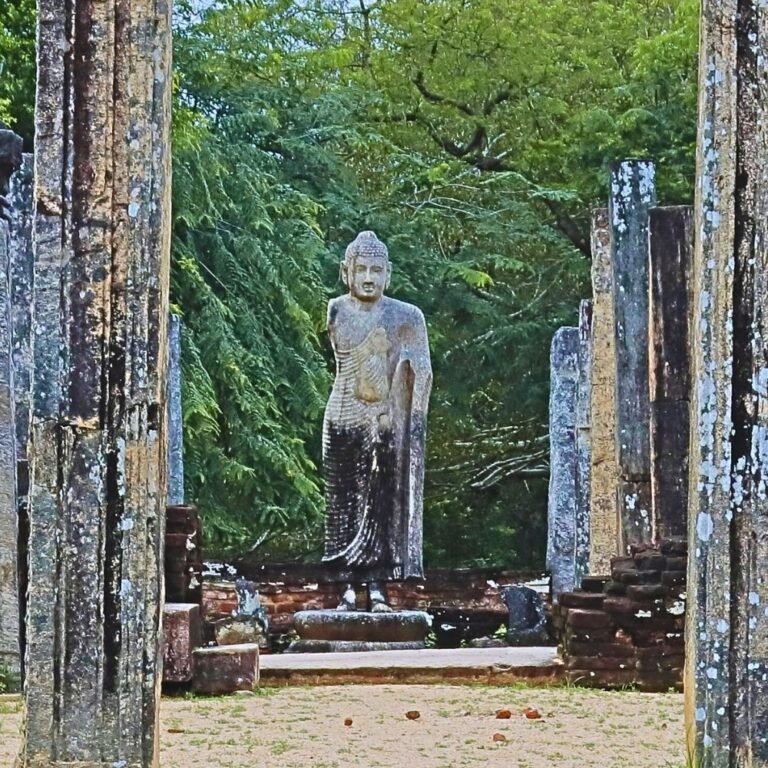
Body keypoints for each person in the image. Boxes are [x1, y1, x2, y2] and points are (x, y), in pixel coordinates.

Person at [322, 231, 432, 611]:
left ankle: (378, 585)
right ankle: (346, 587)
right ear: (346, 272)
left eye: (376, 270)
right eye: (362, 270)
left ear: (389, 273)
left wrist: (407, 390)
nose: (368, 278)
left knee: (381, 500)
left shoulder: (406, 316)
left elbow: (421, 370)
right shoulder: (337, 310)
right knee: (342, 502)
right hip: (342, 416)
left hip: (384, 421)